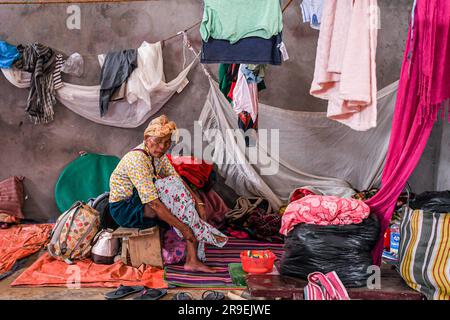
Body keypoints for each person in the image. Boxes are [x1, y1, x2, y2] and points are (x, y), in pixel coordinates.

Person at [109, 115, 227, 273]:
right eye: (157, 141)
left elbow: (176, 179)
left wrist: (197, 201)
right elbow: (154, 203)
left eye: (166, 143)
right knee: (174, 203)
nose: (162, 147)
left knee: (177, 192)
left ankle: (192, 256)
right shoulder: (136, 159)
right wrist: (184, 228)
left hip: (140, 202)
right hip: (124, 209)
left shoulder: (158, 156)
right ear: (146, 138)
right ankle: (193, 243)